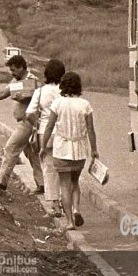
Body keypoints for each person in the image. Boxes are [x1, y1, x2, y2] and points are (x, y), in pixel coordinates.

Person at [0, 55, 44, 192]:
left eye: (13, 70)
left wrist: (23, 97)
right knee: (31, 153)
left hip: (27, 122)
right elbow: (3, 93)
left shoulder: (32, 80)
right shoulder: (16, 81)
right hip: (23, 122)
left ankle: (1, 183)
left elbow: (35, 96)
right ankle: (41, 184)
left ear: (22, 67)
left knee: (10, 148)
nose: (12, 73)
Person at [40, 72, 99, 230]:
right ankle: (76, 209)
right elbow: (91, 130)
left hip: (62, 149)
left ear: (62, 86)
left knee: (64, 185)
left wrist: (43, 146)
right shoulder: (85, 104)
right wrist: (94, 150)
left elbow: (49, 127)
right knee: (75, 181)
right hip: (79, 151)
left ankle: (70, 222)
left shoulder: (58, 104)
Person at [26, 59, 66, 217]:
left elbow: (29, 113)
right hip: (63, 133)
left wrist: (37, 124)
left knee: (49, 169)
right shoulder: (64, 90)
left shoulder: (40, 92)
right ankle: (66, 202)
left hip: (45, 134)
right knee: (63, 168)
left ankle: (55, 205)